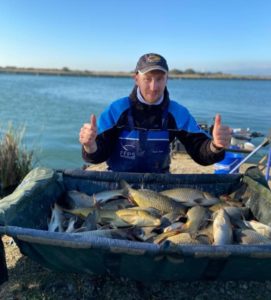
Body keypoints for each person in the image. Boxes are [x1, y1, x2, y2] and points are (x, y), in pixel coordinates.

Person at [79, 53, 232, 173]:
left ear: (167, 79)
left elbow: (200, 153)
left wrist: (215, 146)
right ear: (136, 79)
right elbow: (97, 155)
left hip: (159, 181)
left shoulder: (177, 113)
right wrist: (90, 145)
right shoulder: (117, 109)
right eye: (148, 79)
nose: (154, 87)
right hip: (120, 182)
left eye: (159, 79)